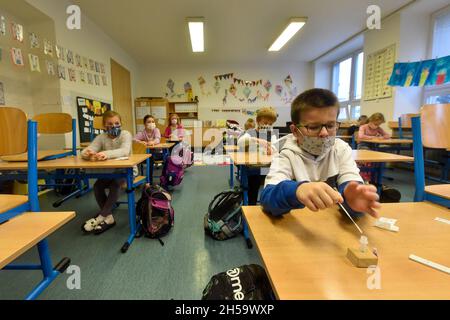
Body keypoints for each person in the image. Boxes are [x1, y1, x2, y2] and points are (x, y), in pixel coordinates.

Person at [260, 88, 380, 218]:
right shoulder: (286, 153)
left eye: (330, 125)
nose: (324, 133)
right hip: (298, 226)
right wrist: (297, 190)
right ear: (295, 131)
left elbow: (351, 184)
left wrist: (352, 200)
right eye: (313, 127)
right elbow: (267, 198)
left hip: (329, 227)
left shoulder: (341, 149)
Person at [81, 110, 135, 234]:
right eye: (110, 124)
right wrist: (88, 154)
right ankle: (109, 217)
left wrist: (105, 154)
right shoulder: (101, 137)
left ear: (121, 123)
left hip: (127, 172)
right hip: (109, 172)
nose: (114, 126)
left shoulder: (125, 134)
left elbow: (125, 151)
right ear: (104, 125)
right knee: (97, 186)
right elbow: (86, 150)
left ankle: (102, 216)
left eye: (117, 123)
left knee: (115, 184)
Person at [237, 107, 279, 205]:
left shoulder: (271, 134)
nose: (267, 126)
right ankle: (252, 205)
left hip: (267, 168)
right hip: (254, 169)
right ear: (258, 121)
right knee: (253, 189)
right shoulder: (251, 132)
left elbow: (275, 148)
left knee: (272, 187)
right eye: (265, 122)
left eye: (270, 124)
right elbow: (240, 142)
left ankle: (268, 204)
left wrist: (271, 149)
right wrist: (256, 140)